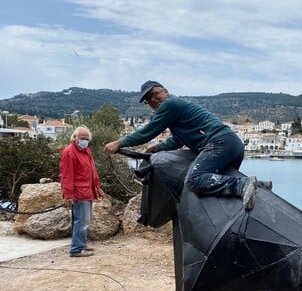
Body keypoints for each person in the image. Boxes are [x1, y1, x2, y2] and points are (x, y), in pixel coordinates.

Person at [104, 81, 268, 210]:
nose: (153, 100)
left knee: (194, 180)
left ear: (165, 91)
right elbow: (177, 140)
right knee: (217, 182)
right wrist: (158, 148)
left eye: (154, 94)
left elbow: (147, 131)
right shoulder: (177, 108)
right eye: (148, 100)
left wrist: (119, 143)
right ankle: (261, 186)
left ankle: (243, 184)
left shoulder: (170, 104)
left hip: (219, 143)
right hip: (232, 144)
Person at [60, 126, 103, 257]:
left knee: (84, 219)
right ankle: (76, 249)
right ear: (75, 138)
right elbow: (67, 175)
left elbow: (91, 172)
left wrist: (97, 187)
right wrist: (68, 194)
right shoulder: (70, 152)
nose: (84, 140)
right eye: (82, 138)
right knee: (82, 220)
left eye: (86, 138)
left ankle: (81, 245)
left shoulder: (86, 151)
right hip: (80, 192)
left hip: (87, 191)